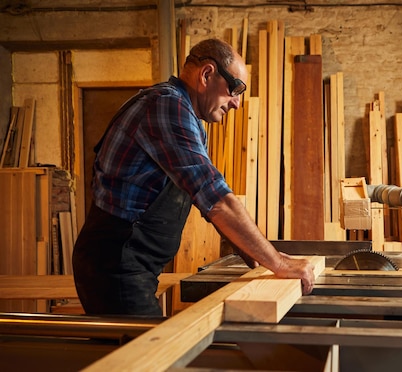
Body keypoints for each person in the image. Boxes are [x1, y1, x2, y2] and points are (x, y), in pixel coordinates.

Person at [72, 38, 316, 316]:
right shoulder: (168, 107)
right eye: (235, 89)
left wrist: (256, 255)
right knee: (148, 355)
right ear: (207, 74)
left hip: (129, 263)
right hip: (115, 265)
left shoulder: (184, 115)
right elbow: (216, 199)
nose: (236, 103)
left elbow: (204, 200)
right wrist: (279, 264)